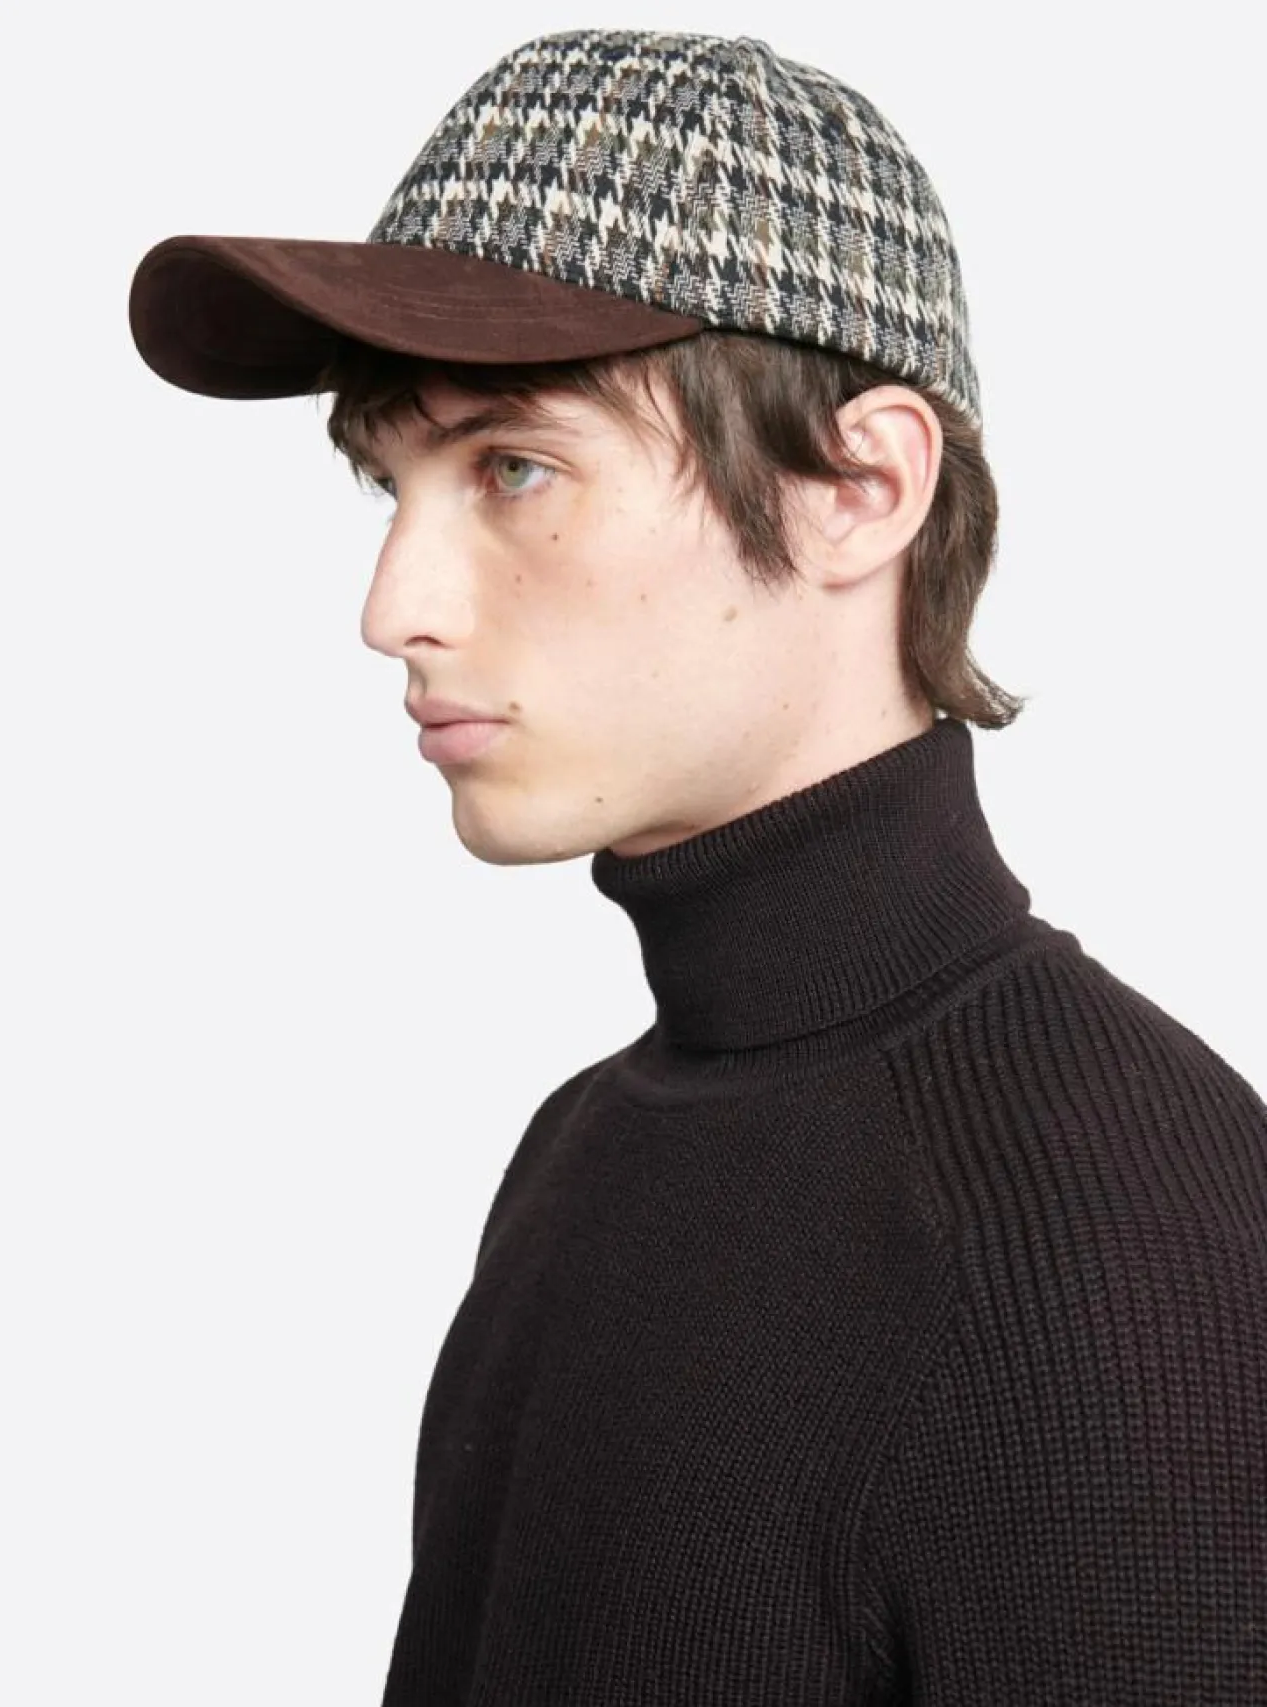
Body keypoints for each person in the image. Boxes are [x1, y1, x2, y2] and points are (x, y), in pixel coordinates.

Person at [127, 27, 1266, 1706]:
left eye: (514, 467)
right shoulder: (588, 1147)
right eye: (392, 482)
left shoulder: (1114, 1245)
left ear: (860, 488)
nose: (393, 606)